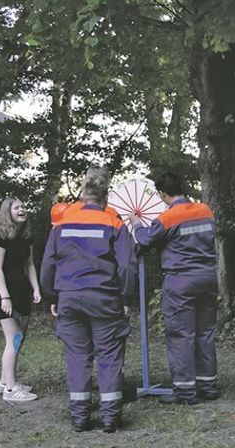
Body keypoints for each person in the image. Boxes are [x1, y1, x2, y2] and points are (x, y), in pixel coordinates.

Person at [40, 167, 136, 432]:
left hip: (69, 297)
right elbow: (127, 264)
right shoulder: (114, 221)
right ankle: (109, 418)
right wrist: (126, 296)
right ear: (106, 196)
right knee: (109, 356)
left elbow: (48, 262)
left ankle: (80, 417)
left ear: (82, 194)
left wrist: (52, 295)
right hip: (105, 297)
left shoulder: (63, 221)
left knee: (77, 357)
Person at [126, 171, 218, 404]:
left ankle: (186, 391)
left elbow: (145, 239)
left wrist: (136, 224)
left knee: (181, 335)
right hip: (207, 277)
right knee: (205, 332)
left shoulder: (168, 218)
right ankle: (208, 386)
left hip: (180, 281)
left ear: (163, 194)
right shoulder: (205, 210)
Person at [0, 197, 40, 402]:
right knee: (14, 339)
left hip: (22, 291)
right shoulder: (0, 235)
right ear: (8, 211)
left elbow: (30, 265)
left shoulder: (26, 236)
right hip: (5, 293)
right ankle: (11, 391)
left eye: (23, 206)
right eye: (17, 207)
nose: (22, 209)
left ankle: (5, 381)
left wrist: (36, 289)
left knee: (18, 339)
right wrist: (4, 296)